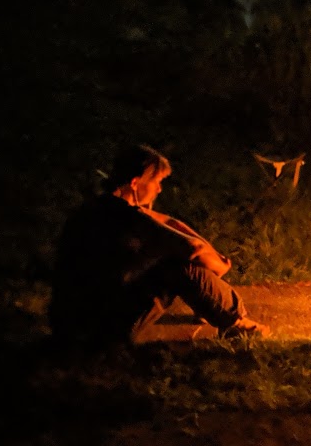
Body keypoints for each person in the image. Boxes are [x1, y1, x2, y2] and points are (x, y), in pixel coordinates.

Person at [50, 143, 267, 345]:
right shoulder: (127, 217)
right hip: (98, 328)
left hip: (66, 323)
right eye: (156, 182)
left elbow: (170, 222)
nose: (159, 189)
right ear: (135, 183)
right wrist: (219, 266)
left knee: (165, 255)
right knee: (177, 264)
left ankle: (209, 307)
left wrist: (213, 256)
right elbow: (193, 249)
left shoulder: (100, 206)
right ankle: (235, 322)